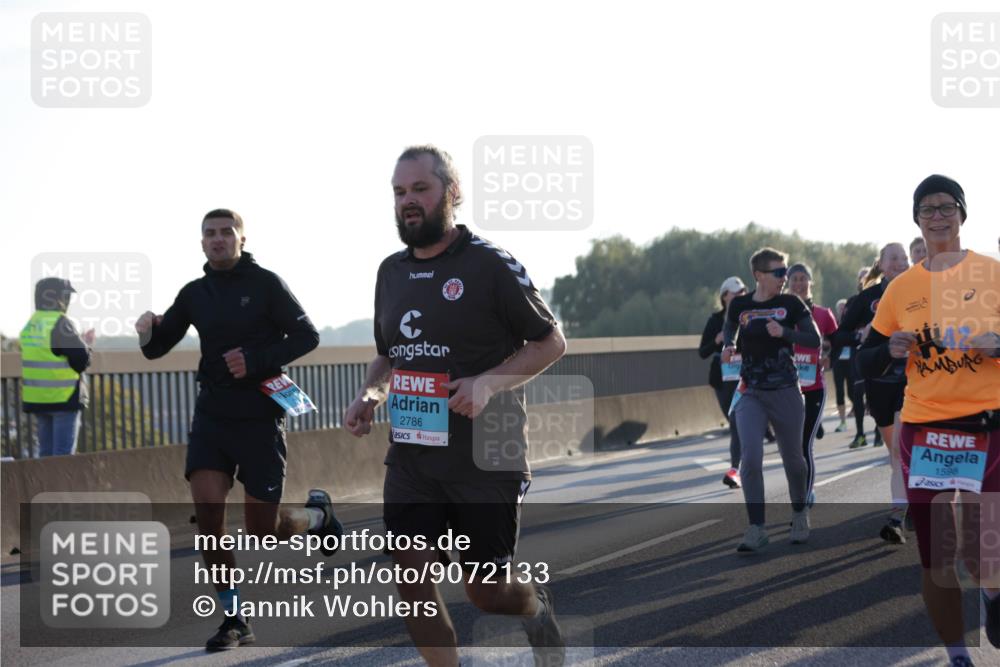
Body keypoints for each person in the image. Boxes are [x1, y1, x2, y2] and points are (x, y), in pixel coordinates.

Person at [343, 146, 568, 667]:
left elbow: (551, 341)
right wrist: (369, 395)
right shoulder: (390, 272)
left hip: (487, 453)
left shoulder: (489, 264)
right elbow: (389, 356)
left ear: (452, 192)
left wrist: (487, 383)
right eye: (399, 193)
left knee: (486, 593)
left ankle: (536, 607)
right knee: (409, 569)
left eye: (420, 189)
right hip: (415, 454)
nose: (408, 202)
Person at [136, 209, 341, 651]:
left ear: (242, 239)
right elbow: (157, 349)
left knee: (263, 531)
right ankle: (234, 618)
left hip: (260, 415)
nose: (218, 239)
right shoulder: (195, 293)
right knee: (208, 515)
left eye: (226, 232)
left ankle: (319, 516)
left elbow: (307, 335)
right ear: (202, 243)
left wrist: (256, 358)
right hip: (212, 416)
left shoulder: (265, 284)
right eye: (209, 234)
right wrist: (146, 332)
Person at [859, 174, 999, 665]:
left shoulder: (994, 274)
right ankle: (957, 653)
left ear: (962, 214)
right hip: (927, 432)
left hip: (988, 427)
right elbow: (866, 357)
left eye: (946, 207)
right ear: (916, 219)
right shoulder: (901, 288)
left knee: (986, 550)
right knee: (938, 556)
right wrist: (888, 349)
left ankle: (992, 592)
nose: (937, 216)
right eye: (927, 209)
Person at [721, 247, 821, 552]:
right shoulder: (740, 304)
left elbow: (814, 339)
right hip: (751, 391)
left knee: (793, 459)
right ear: (759, 275)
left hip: (786, 390)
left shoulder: (790, 303)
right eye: (779, 273)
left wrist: (785, 332)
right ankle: (756, 528)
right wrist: (728, 344)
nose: (785, 278)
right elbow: (730, 326)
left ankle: (799, 512)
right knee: (749, 458)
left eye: (786, 272)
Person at [19, 277, 94, 457]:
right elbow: (81, 360)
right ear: (60, 298)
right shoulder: (60, 323)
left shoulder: (31, 324)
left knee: (45, 455)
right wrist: (87, 343)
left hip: (38, 399)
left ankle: (44, 486)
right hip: (63, 398)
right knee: (63, 458)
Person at [785, 263, 838, 506]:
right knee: (792, 449)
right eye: (793, 279)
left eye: (802, 278)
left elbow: (839, 342)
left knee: (805, 444)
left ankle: (804, 499)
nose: (798, 283)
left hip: (814, 386)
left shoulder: (823, 315)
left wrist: (830, 357)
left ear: (810, 282)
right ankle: (800, 491)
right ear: (787, 283)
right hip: (786, 389)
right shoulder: (781, 313)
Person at [699, 276, 748, 488]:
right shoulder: (715, 320)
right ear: (724, 297)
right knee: (735, 424)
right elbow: (702, 352)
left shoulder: (749, 315)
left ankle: (736, 469)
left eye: (743, 293)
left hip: (746, 377)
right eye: (736, 294)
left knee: (738, 425)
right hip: (723, 381)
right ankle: (742, 464)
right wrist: (717, 340)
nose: (740, 297)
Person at [830, 298, 852, 433]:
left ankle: (859, 414)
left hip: (851, 361)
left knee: (852, 392)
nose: (843, 310)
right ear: (837, 310)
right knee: (839, 390)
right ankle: (843, 421)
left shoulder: (852, 323)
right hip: (838, 361)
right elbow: (828, 340)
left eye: (845, 307)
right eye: (840, 308)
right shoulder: (834, 325)